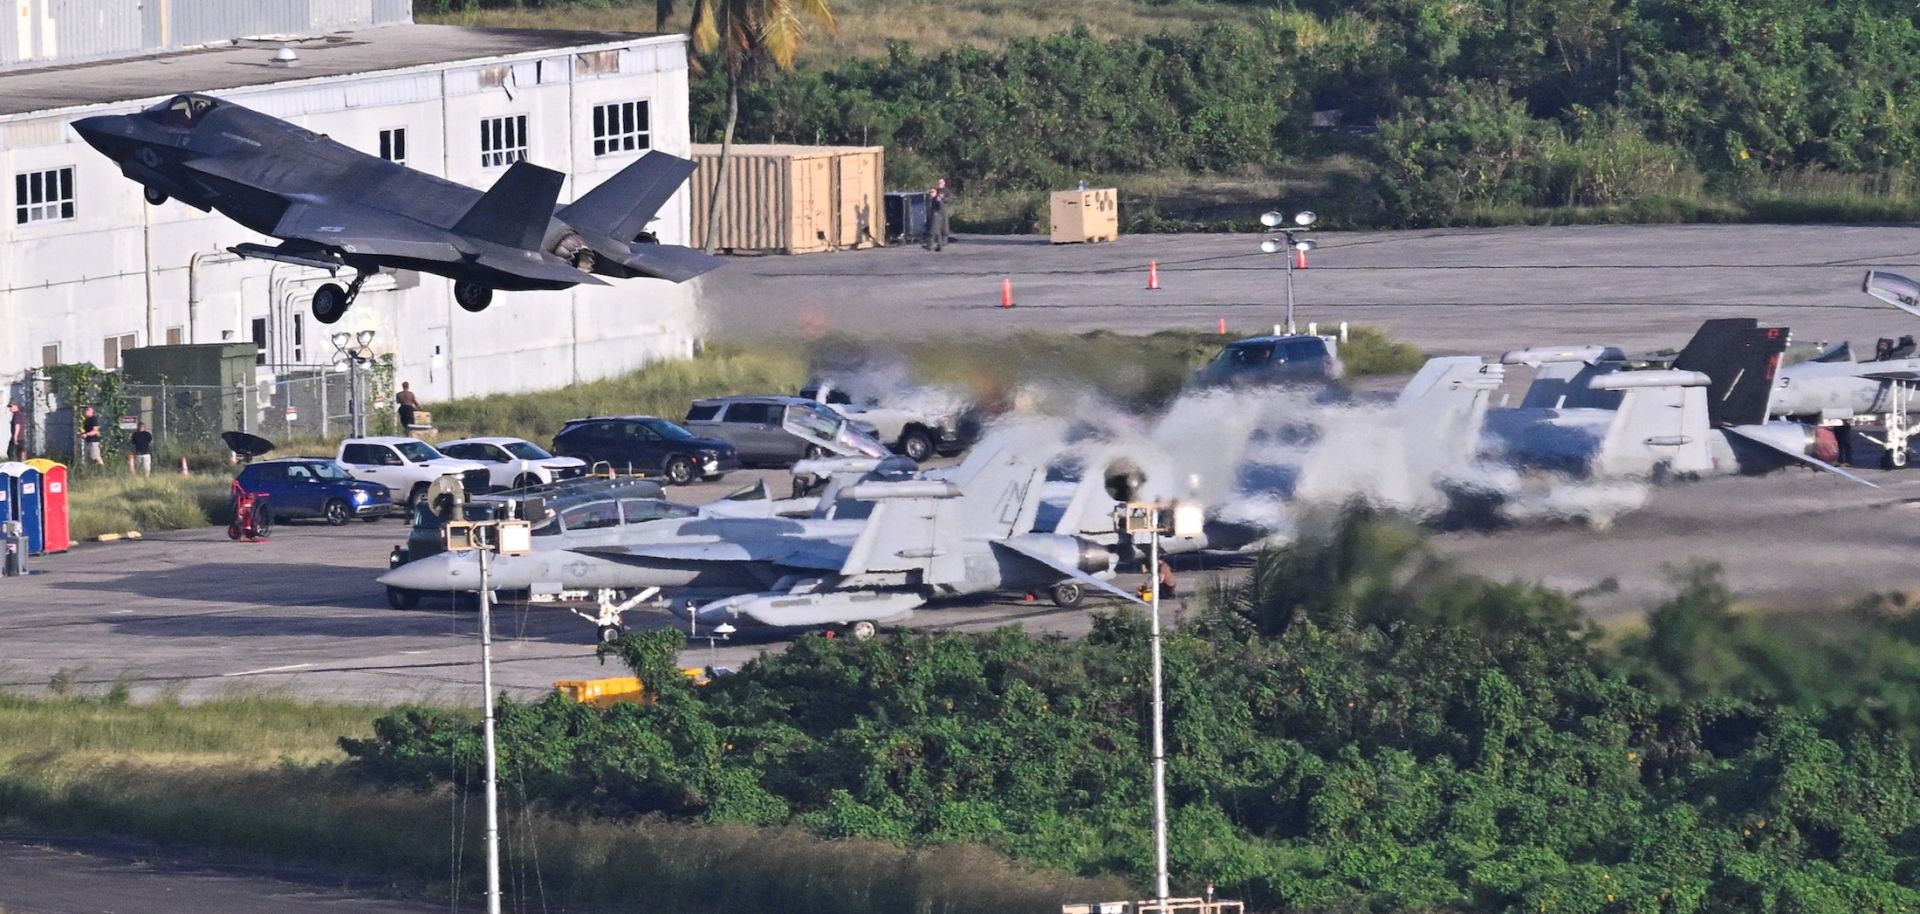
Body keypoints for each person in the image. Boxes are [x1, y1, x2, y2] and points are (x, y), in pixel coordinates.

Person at [923, 178, 950, 251]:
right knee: (936, 230)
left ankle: (933, 244)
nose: (939, 184)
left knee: (936, 229)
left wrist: (941, 199)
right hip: (936, 213)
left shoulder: (945, 191)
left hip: (940, 213)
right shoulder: (935, 192)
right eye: (938, 183)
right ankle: (938, 245)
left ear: (944, 183)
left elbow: (945, 201)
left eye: (941, 183)